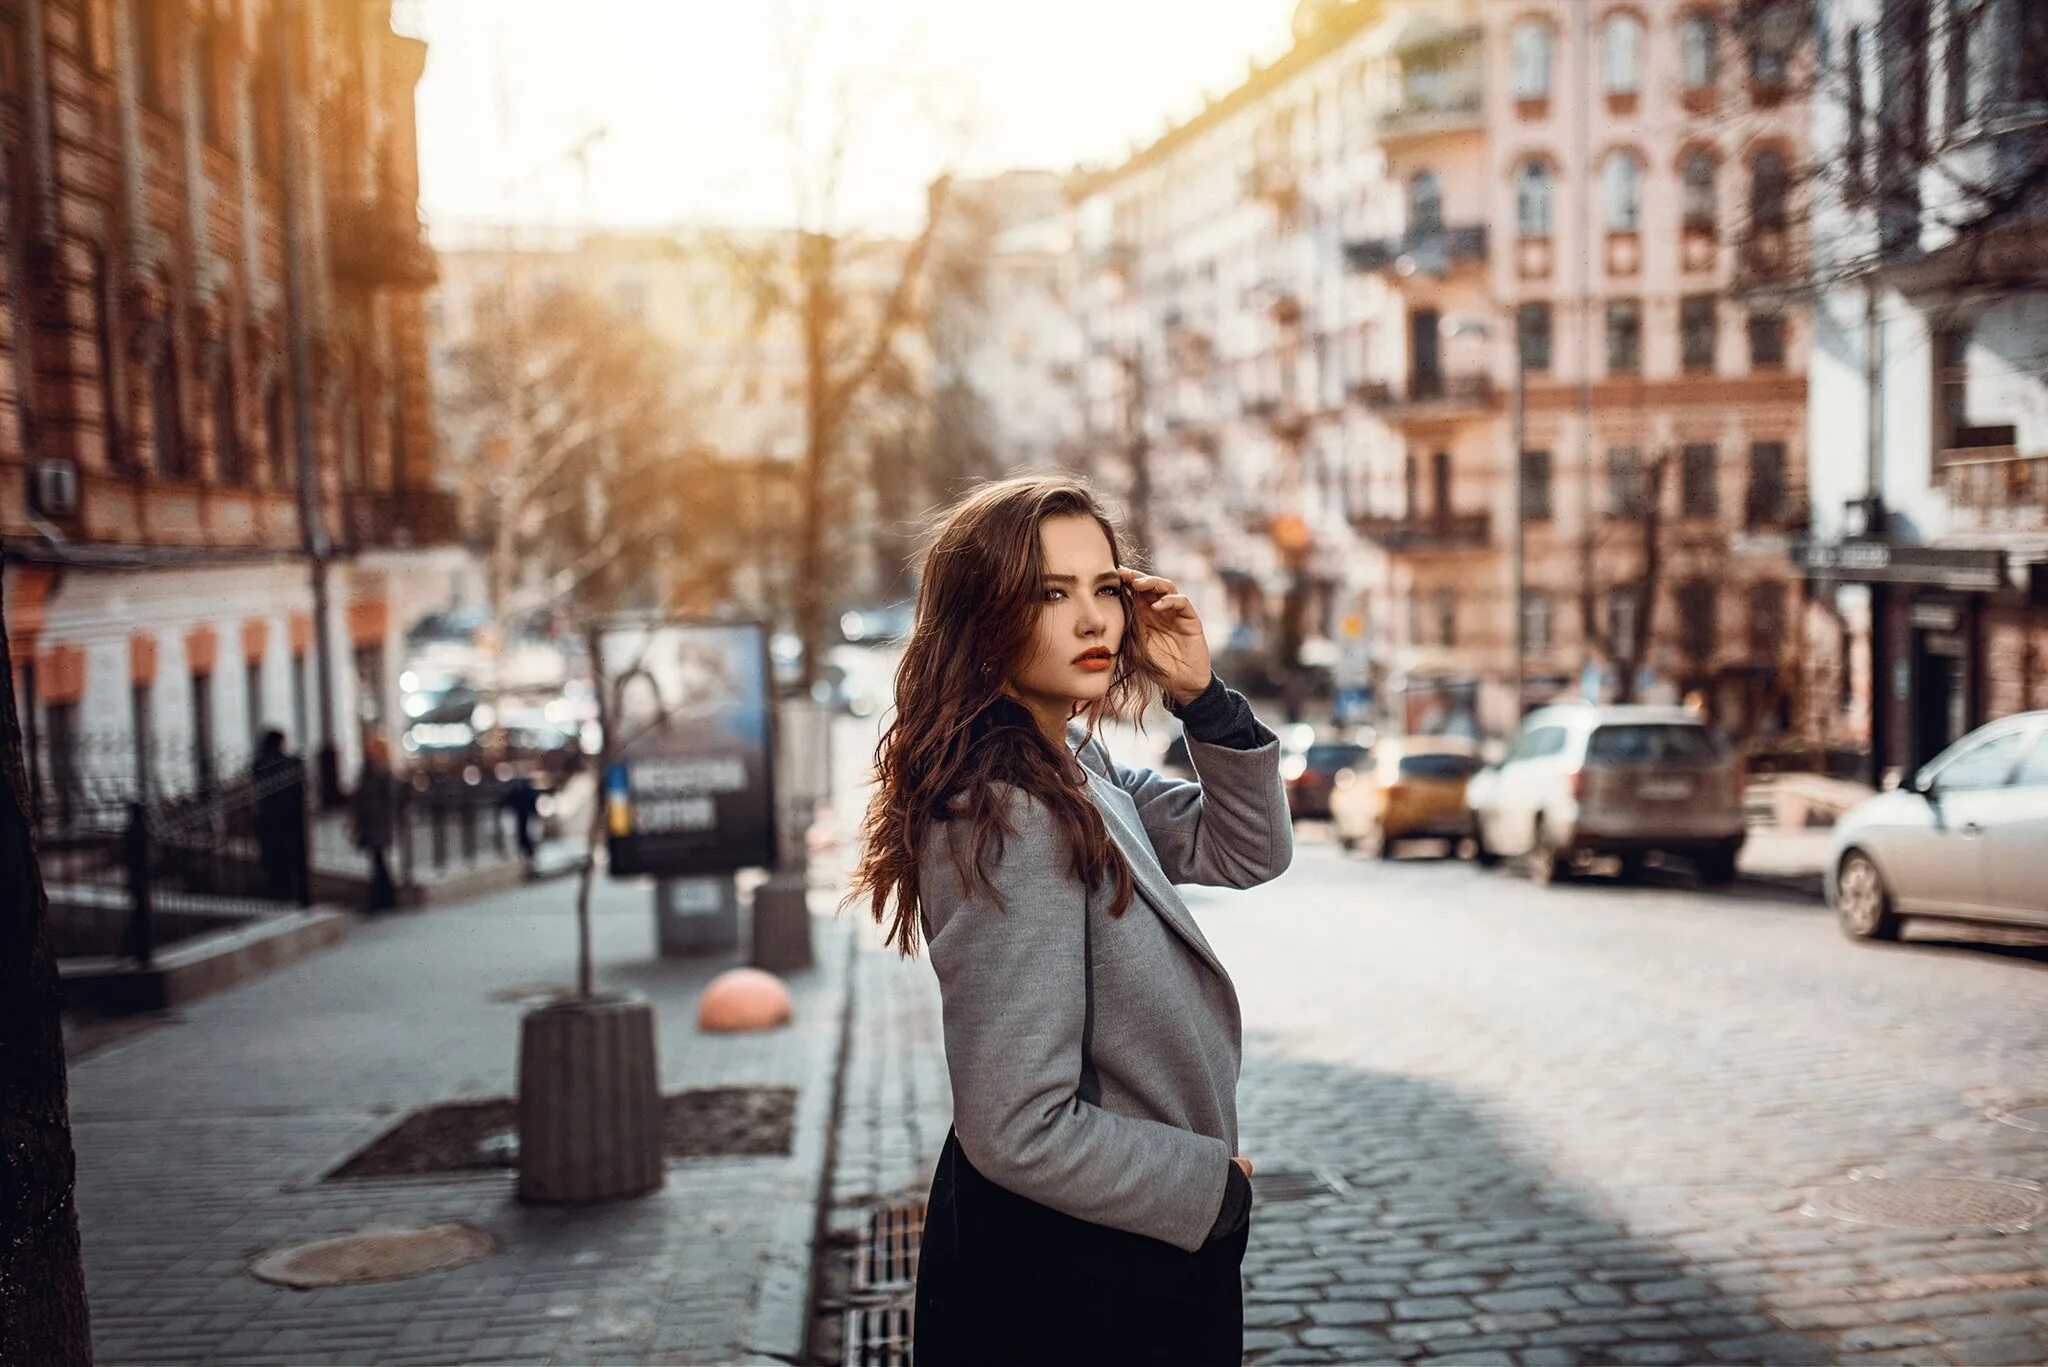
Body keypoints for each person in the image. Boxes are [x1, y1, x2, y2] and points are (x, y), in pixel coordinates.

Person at [842, 476, 1292, 1366]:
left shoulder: (1072, 766)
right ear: (984, 619)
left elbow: (1246, 849)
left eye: (1104, 588)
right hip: (1085, 1277)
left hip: (1107, 1252)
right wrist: (1211, 1192)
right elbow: (1016, 1123)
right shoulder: (1005, 806)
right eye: (1052, 594)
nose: (1095, 622)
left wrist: (1203, 699)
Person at [251, 729, 308, 904]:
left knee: (275, 864)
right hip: (289, 821)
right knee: (290, 862)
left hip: (270, 823)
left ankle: (279, 895)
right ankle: (294, 896)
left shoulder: (261, 764)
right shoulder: (289, 764)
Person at [352, 735, 399, 911]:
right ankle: (382, 898)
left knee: (379, 861)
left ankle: (383, 898)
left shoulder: (381, 771)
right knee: (376, 861)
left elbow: (389, 799)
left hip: (378, 823)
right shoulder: (367, 771)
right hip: (369, 823)